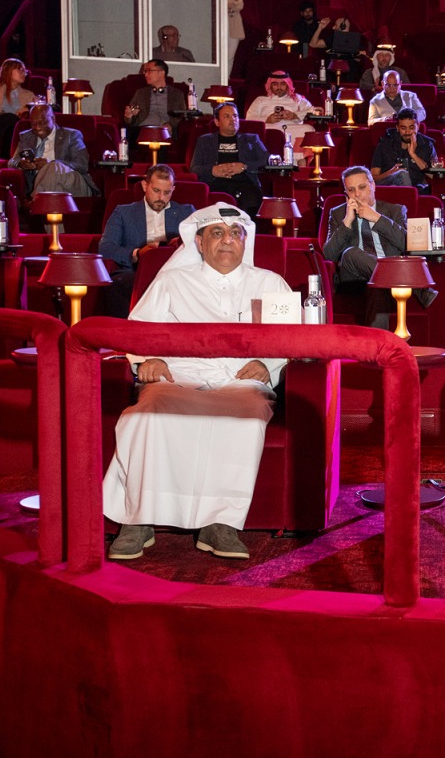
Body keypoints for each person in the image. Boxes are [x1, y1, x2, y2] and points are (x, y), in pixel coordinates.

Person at [103, 205, 291, 561]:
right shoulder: (173, 281)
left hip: (239, 382)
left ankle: (221, 523)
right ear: (199, 243)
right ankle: (138, 520)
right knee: (146, 415)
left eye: (235, 234)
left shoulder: (269, 283)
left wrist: (267, 364)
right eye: (217, 233)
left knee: (247, 417)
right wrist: (148, 359)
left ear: (244, 242)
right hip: (178, 377)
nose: (227, 241)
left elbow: (296, 340)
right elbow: (138, 331)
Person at [322, 165, 437, 317]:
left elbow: (406, 244)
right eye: (351, 190)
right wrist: (347, 221)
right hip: (353, 279)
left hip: (384, 284)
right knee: (350, 253)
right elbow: (328, 255)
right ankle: (419, 289)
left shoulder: (395, 210)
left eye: (362, 187)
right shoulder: (338, 213)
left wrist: (377, 218)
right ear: (346, 193)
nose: (357, 194)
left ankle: (381, 341)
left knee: (378, 290)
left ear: (373, 185)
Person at [98, 164, 195, 318]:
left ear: (173, 190)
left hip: (175, 271)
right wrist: (136, 253)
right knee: (118, 284)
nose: (161, 198)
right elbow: (105, 248)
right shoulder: (123, 212)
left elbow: (199, 246)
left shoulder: (186, 212)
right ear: (144, 185)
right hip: (134, 272)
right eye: (156, 191)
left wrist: (180, 244)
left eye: (167, 192)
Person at [189, 102, 267, 215]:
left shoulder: (251, 139)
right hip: (216, 184)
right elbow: (194, 168)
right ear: (217, 122)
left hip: (245, 184)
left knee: (251, 199)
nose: (232, 119)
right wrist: (213, 170)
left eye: (235, 116)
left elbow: (267, 161)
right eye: (227, 116)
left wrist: (244, 166)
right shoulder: (205, 141)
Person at [8, 104, 97, 201]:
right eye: (33, 124)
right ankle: (42, 205)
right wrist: (21, 164)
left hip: (74, 184)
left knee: (53, 167)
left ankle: (36, 201)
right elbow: (11, 162)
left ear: (53, 119)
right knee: (55, 188)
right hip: (57, 188)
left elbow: (82, 165)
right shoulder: (26, 137)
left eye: (42, 123)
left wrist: (50, 163)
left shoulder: (71, 135)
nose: (37, 128)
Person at [370, 109, 436, 192]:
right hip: (388, 186)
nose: (407, 132)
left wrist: (413, 155)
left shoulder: (426, 145)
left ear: (418, 126)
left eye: (411, 128)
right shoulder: (385, 144)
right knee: (402, 175)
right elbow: (373, 178)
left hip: (416, 188)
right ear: (397, 128)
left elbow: (433, 175)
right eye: (403, 128)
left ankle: (407, 198)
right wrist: (391, 172)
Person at [0, 58, 36, 157]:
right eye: (20, 69)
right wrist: (4, 115)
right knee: (10, 118)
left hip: (17, 125)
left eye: (25, 70)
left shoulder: (29, 95)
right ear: (9, 71)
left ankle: (6, 156)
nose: (24, 73)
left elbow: (32, 114)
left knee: (13, 125)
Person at [244, 71, 316, 147]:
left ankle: (299, 158)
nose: (279, 87)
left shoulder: (297, 98)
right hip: (269, 128)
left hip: (291, 128)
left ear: (288, 85)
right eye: (275, 84)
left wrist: (294, 115)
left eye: (283, 84)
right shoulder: (260, 100)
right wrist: (267, 119)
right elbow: (249, 119)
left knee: (308, 129)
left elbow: (312, 111)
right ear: (270, 86)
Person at [124, 59, 184, 133]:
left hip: (164, 131)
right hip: (142, 131)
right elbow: (130, 120)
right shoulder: (141, 93)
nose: (145, 75)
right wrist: (129, 116)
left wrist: (170, 125)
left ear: (161, 73)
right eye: (145, 71)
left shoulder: (177, 94)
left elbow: (182, 116)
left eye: (149, 71)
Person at [226, 0, 245, 68]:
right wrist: (231, 2)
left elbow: (240, 5)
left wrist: (230, 5)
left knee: (230, 56)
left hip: (233, 25)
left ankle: (226, 79)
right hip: (218, 25)